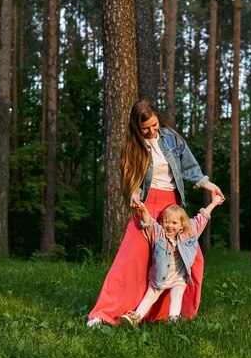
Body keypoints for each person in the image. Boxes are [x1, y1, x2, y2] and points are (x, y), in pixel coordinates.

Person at [87, 100, 225, 327]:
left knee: (189, 257)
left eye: (154, 125)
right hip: (147, 205)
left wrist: (208, 185)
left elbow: (189, 168)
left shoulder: (171, 137)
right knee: (131, 261)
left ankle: (170, 313)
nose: (152, 131)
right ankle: (105, 314)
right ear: (136, 127)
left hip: (172, 207)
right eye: (146, 128)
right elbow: (132, 178)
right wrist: (133, 195)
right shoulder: (134, 146)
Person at [119, 195, 224, 327]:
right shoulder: (159, 234)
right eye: (166, 222)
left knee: (177, 298)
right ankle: (136, 317)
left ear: (182, 225)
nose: (169, 226)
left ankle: (173, 322)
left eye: (174, 223)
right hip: (159, 279)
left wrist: (214, 203)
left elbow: (202, 217)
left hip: (179, 278)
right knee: (149, 297)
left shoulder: (189, 232)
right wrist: (143, 209)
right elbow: (149, 223)